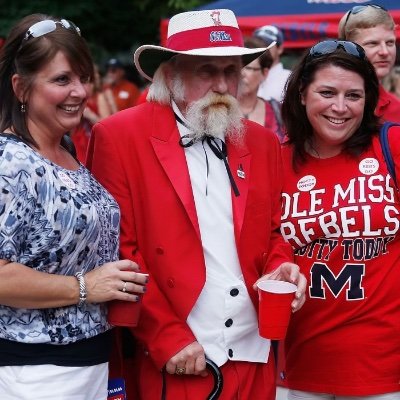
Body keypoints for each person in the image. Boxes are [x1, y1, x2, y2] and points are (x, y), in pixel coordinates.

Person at [87, 8, 307, 400]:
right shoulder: (118, 137)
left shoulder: (262, 141)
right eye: (207, 70)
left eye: (232, 71)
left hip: (254, 352)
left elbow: (273, 233)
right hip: (177, 356)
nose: (223, 84)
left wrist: (282, 268)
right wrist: (165, 335)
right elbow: (118, 250)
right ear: (170, 74)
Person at [0, 13, 148, 400]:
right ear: (21, 87)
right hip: (35, 372)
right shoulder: (10, 161)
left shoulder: (63, 150)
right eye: (62, 80)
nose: (80, 92)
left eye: (84, 77)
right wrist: (85, 287)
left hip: (89, 365)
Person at [280, 39, 400, 398]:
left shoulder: (391, 145)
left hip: (380, 367)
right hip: (294, 364)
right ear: (302, 94)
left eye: (354, 96)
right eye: (327, 92)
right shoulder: (275, 159)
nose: (340, 108)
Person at [338, 4, 400, 123]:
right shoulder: (324, 104)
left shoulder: (397, 109)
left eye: (390, 43)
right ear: (347, 48)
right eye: (373, 43)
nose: (385, 52)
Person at [238, 36, 285, 142]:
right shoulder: (219, 111)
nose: (241, 74)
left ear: (265, 73)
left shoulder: (279, 112)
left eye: (249, 68)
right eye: (237, 67)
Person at [71, 63, 117, 162]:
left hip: (92, 141)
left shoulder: (99, 97)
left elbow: (107, 125)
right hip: (78, 140)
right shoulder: (78, 97)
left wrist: (90, 115)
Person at [253, 25, 291, 102]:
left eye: (267, 45)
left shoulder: (290, 79)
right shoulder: (246, 76)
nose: (262, 48)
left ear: (280, 49)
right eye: (257, 44)